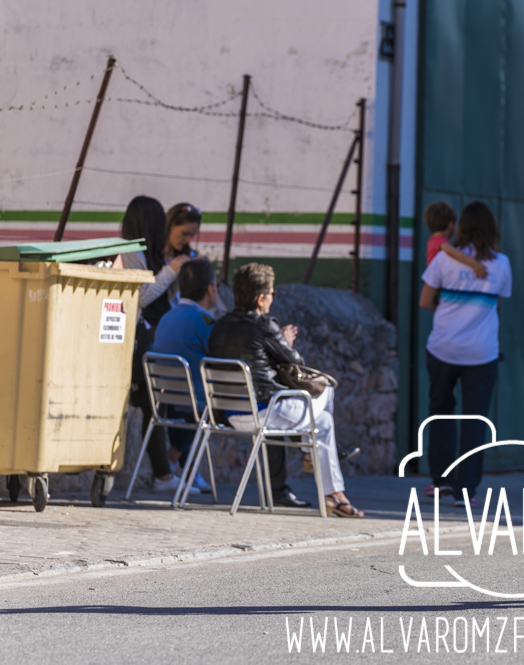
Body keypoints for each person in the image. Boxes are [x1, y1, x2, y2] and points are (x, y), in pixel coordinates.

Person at [208, 263, 363, 517]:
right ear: (260, 299)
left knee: (322, 423)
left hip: (232, 414)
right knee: (327, 389)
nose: (273, 297)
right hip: (265, 411)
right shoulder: (264, 325)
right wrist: (286, 340)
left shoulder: (219, 326)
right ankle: (308, 453)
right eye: (272, 293)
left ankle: (335, 496)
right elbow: (296, 364)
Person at [418, 201, 512, 507]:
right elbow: (497, 304)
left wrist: (449, 307)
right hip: (482, 353)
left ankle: (441, 482)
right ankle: (466, 489)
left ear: (461, 228)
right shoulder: (501, 264)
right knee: (475, 420)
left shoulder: (444, 260)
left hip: (443, 347)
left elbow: (425, 300)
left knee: (440, 412)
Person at [121, 196, 193, 492]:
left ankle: (172, 470)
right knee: (153, 404)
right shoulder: (130, 253)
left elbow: (166, 298)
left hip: (155, 342)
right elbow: (139, 297)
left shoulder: (152, 255)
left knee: (167, 403)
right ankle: (164, 474)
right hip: (136, 345)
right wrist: (171, 271)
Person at [152, 258, 219, 495]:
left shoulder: (166, 318)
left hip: (165, 400)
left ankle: (188, 469)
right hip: (196, 402)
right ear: (210, 288)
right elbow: (219, 359)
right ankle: (176, 459)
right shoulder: (204, 322)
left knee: (190, 404)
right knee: (207, 403)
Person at [424, 201, 489, 277]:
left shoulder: (433, 241)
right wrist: (475, 264)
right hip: (437, 278)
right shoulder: (440, 241)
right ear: (451, 224)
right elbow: (450, 251)